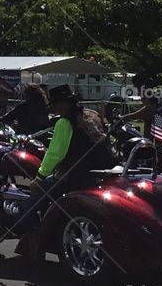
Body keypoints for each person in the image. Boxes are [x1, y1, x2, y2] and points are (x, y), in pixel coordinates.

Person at [15, 85, 113, 254]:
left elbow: (55, 154)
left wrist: (39, 177)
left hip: (74, 175)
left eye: (54, 105)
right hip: (101, 171)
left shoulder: (65, 122)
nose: (53, 109)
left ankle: (25, 229)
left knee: (38, 193)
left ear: (63, 104)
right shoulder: (92, 115)